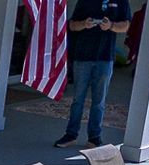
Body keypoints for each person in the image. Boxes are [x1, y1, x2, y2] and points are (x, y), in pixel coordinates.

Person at [55, 0, 133, 149]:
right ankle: (71, 134)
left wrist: (110, 26)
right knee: (78, 98)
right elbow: (71, 25)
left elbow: (126, 25)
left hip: (105, 57)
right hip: (82, 56)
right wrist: (85, 24)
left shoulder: (121, 1)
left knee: (99, 100)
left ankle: (94, 137)